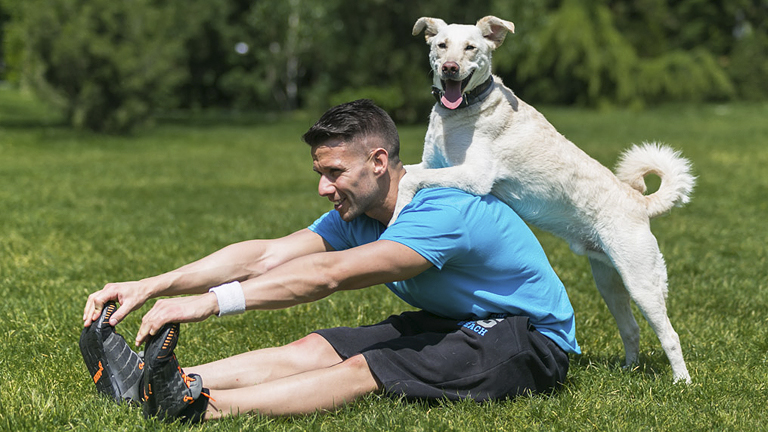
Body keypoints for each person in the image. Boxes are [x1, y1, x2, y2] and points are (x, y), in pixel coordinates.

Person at [80, 99, 580, 422]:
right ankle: (160, 383)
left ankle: (199, 408)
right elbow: (266, 255)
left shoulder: (442, 211)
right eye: (320, 172)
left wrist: (208, 304)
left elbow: (329, 275)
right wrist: (153, 285)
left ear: (379, 162)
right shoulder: (360, 211)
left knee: (367, 366)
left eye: (335, 172)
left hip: (526, 337)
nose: (323, 187)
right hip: (455, 321)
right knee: (316, 346)